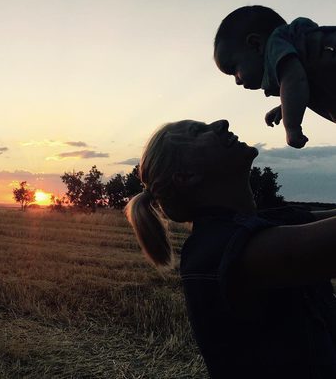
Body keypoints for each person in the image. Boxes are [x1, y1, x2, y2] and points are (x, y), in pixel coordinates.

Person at [125, 119, 336, 379]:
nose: (222, 122)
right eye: (197, 131)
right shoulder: (220, 250)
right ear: (186, 176)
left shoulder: (268, 224)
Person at [214, 5, 336, 148]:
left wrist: (292, 127)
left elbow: (294, 79)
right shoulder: (300, 61)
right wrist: (286, 106)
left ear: (256, 45)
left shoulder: (276, 44)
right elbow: (299, 87)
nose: (237, 81)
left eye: (234, 69)